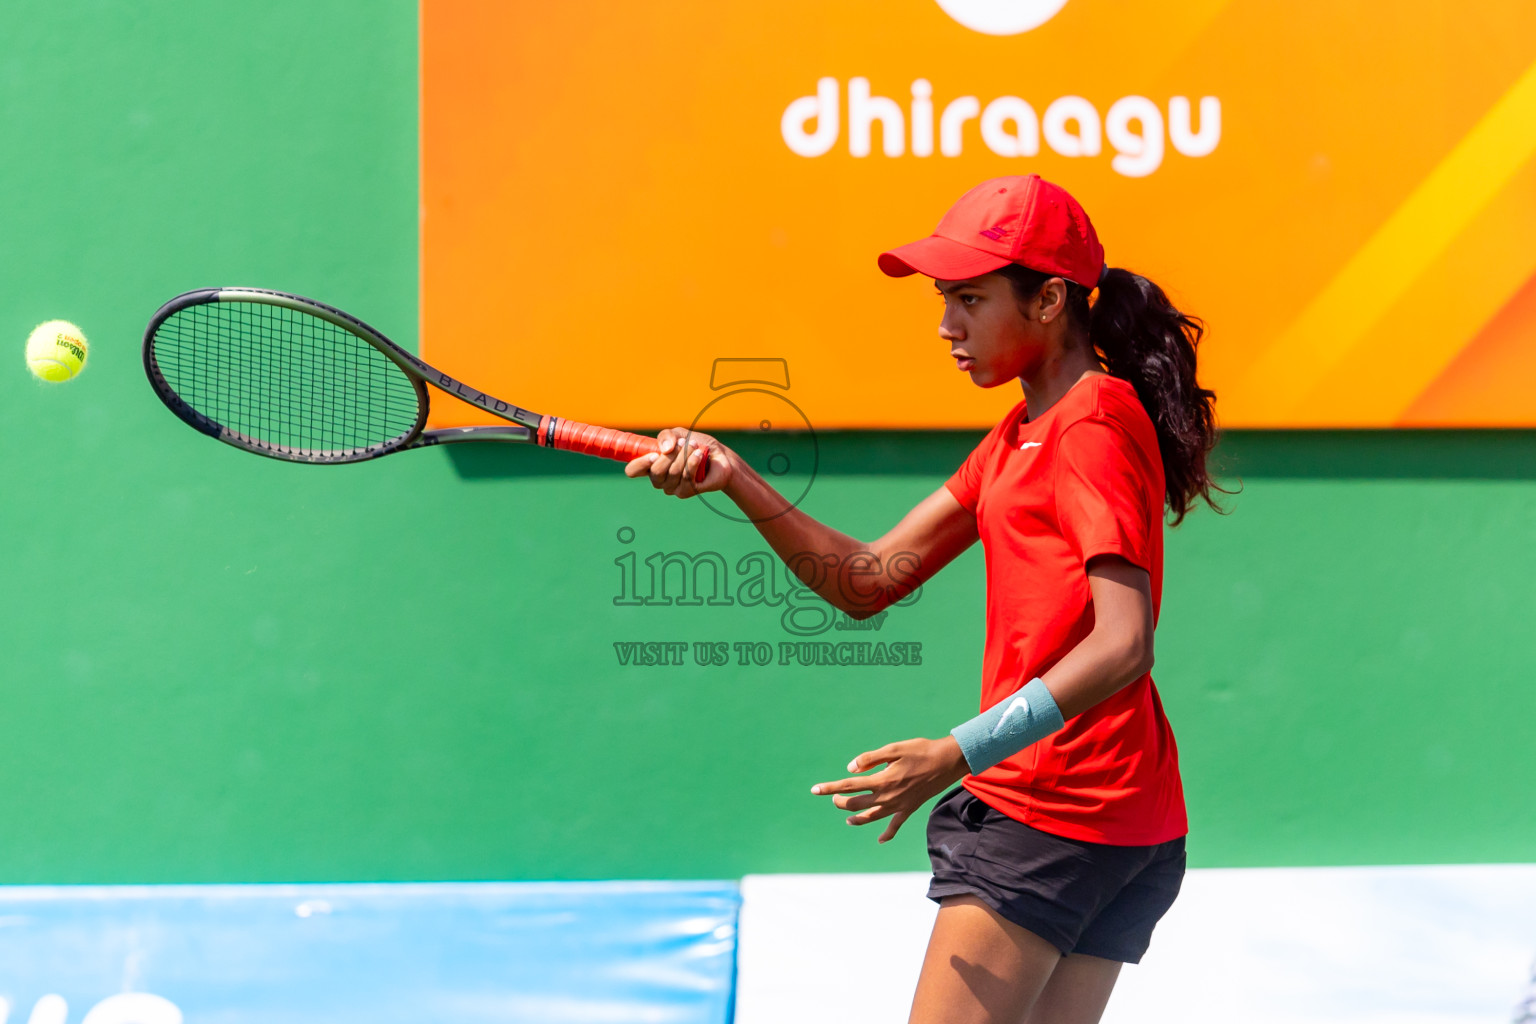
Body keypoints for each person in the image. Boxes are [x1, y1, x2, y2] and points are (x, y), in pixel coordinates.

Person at [628, 174, 1221, 1023]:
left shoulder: (1087, 423)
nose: (948, 327)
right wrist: (735, 478)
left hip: (1050, 819)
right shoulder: (1022, 433)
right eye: (947, 299)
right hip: (1123, 824)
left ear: (1051, 298)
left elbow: (1123, 643)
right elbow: (867, 580)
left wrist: (959, 753)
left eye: (972, 300)